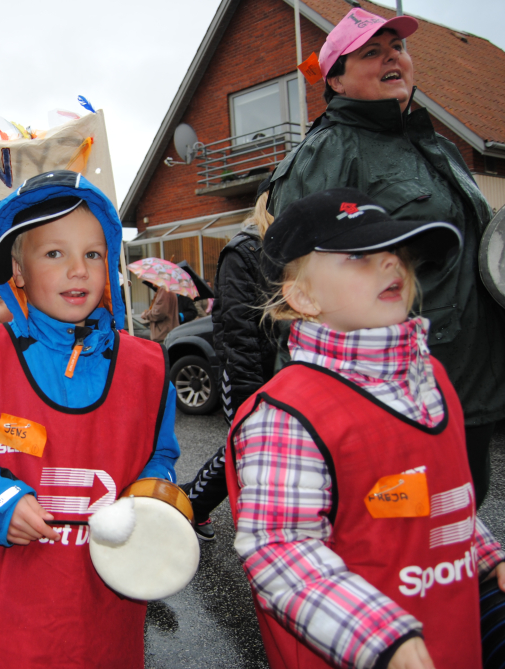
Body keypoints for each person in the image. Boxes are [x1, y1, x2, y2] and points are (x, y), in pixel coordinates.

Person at [0, 171, 180, 668]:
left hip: (108, 619)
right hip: (10, 622)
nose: (79, 270)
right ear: (18, 271)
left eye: (93, 254)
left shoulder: (150, 368)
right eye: (55, 253)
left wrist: (153, 496)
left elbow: (159, 457)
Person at [225, 188, 504, 669]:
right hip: (369, 651)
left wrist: (488, 554)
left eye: (396, 251)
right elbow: (280, 550)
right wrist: (382, 638)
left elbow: (438, 499)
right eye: (359, 255)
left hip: (454, 643)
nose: (390, 265)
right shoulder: (288, 415)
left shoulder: (432, 377)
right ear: (302, 296)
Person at [268, 8, 505, 509]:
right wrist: (317, 404)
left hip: (470, 377)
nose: (392, 57)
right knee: (393, 529)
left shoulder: (441, 147)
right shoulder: (327, 151)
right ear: (335, 78)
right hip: (397, 388)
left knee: (459, 517)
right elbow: (304, 280)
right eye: (371, 52)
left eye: (397, 47)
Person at [181, 186, 278, 542]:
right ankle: (191, 503)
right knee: (244, 448)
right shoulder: (246, 249)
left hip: (283, 371)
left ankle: (194, 502)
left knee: (260, 451)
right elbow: (238, 328)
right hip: (251, 371)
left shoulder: (295, 245)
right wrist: (247, 392)